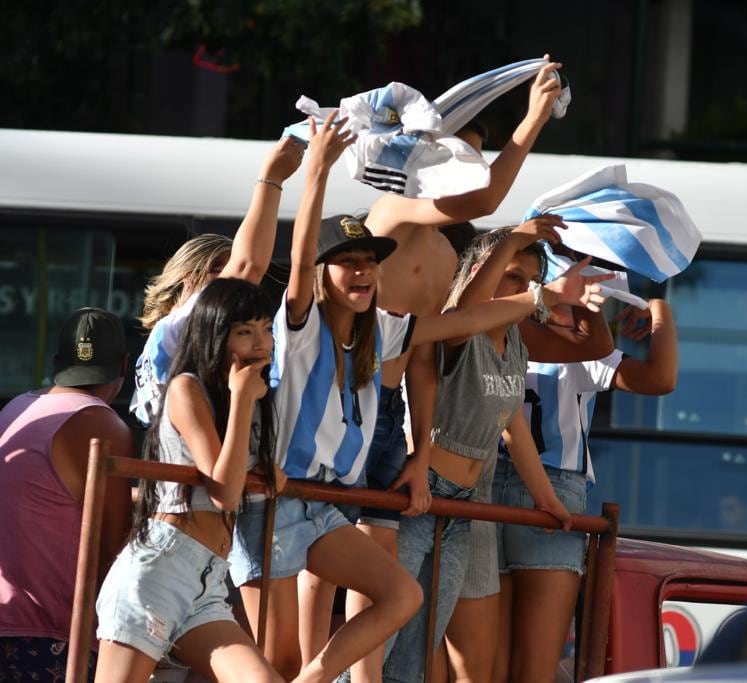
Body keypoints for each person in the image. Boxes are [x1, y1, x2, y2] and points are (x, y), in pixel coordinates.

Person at [228, 111, 610, 683]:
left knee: (393, 593)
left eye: (367, 264)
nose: (361, 274)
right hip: (291, 466)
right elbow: (305, 260)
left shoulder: (412, 295)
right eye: (348, 264)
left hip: (359, 456)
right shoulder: (343, 268)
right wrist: (312, 176)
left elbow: (445, 340)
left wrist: (539, 300)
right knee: (285, 639)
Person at [336, 59, 569, 683]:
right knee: (337, 600)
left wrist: (419, 446)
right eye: (457, 161)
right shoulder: (390, 211)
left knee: (406, 623)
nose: (465, 178)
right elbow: (490, 198)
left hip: (392, 423)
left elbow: (427, 355)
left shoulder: (443, 252)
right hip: (335, 406)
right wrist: (534, 119)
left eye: (474, 160)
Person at [382, 223, 611, 683]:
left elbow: (515, 428)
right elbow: (467, 309)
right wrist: (510, 241)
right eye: (510, 276)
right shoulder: (459, 328)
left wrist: (548, 500)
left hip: (463, 507)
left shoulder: (516, 344)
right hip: (422, 496)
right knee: (381, 636)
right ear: (478, 273)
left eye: (526, 281)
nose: (521, 289)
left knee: (418, 644)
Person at [92, 279, 283, 682]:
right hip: (160, 569)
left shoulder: (244, 399)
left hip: (208, 580)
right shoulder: (186, 388)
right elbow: (225, 492)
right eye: (245, 332)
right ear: (215, 335)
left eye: (267, 328)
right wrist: (244, 399)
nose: (261, 342)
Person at [489, 299, 678, 683]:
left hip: (483, 486)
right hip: (553, 492)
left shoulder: (491, 335)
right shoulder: (580, 352)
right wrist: (660, 309)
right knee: (534, 668)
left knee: (489, 664)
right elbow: (661, 379)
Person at [132, 136, 305, 425]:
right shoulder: (175, 327)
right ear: (187, 277)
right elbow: (248, 266)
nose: (231, 286)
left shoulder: (165, 338)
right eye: (218, 272)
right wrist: (272, 178)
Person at [0, 308, 133, 681]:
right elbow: (113, 552)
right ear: (125, 366)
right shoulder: (104, 425)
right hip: (50, 637)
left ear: (58, 363)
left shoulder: (15, 408)